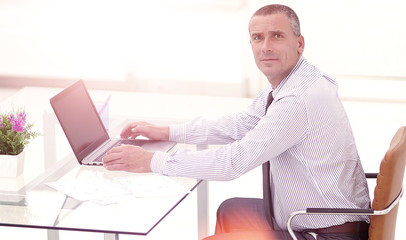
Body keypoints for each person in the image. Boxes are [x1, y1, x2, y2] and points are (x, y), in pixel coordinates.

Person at [103, 4, 371, 240]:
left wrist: (151, 162)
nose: (265, 46)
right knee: (230, 210)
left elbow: (232, 163)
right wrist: (169, 132)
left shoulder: (296, 100)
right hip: (316, 217)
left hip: (326, 234)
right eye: (257, 38)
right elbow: (240, 124)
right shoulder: (295, 81)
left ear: (299, 43)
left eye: (276, 36)